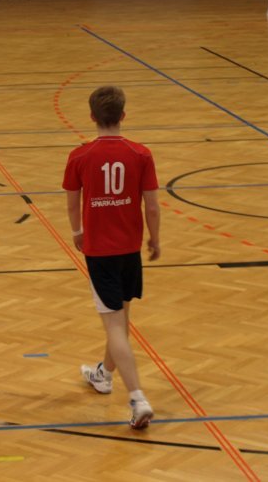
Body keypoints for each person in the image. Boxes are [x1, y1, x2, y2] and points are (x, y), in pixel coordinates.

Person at [62, 85, 161, 430]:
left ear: (92, 116)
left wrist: (77, 232)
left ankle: (137, 398)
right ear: (123, 116)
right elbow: (152, 205)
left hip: (100, 252)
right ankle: (103, 375)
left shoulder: (80, 156)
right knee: (121, 318)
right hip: (129, 250)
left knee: (115, 325)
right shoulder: (140, 153)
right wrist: (155, 239)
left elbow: (72, 203)